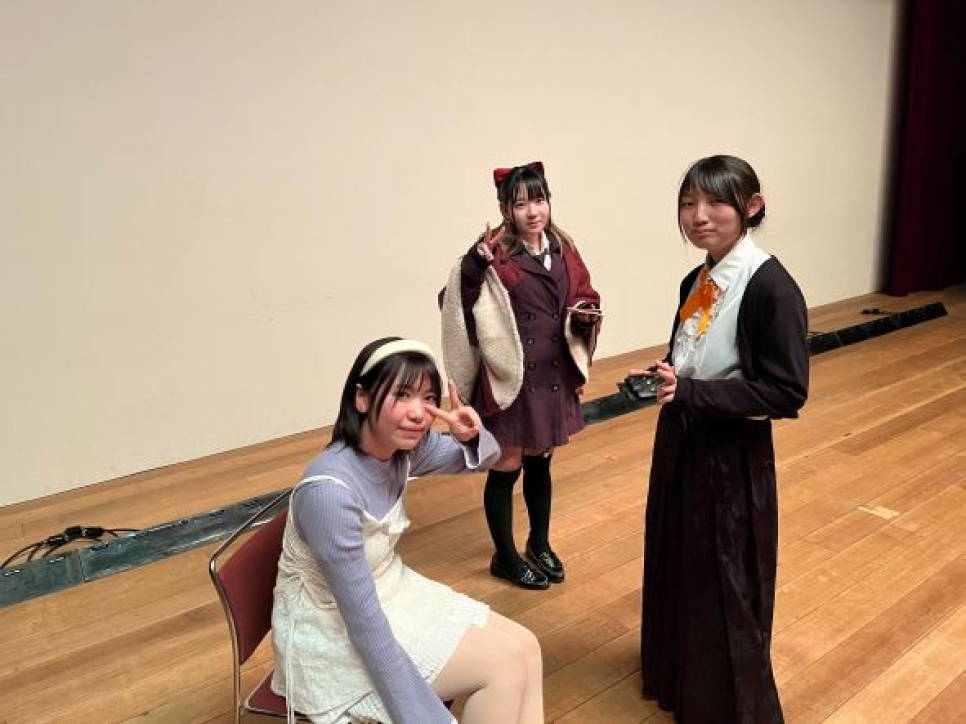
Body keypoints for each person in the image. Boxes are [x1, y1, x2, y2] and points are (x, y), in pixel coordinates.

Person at [271, 337, 544, 723]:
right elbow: (364, 625)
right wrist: (420, 717)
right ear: (361, 398)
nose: (419, 413)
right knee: (504, 669)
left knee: (528, 647)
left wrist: (470, 435)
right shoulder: (330, 495)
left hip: (388, 592)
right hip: (330, 633)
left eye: (428, 397)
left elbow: (490, 459)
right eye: (402, 394)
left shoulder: (403, 450)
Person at [635, 155, 808, 722]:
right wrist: (665, 375)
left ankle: (718, 701)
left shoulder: (772, 287)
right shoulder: (699, 278)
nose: (699, 216)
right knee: (678, 558)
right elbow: (690, 350)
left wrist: (690, 392)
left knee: (724, 576)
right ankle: (677, 674)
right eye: (688, 203)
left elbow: (786, 392)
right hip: (682, 436)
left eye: (715, 202)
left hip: (729, 453)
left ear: (752, 206)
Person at [440, 161, 602, 590]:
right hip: (513, 379)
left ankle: (539, 543)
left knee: (541, 461)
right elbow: (455, 300)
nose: (533, 211)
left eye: (540, 200)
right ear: (505, 209)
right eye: (521, 204)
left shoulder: (564, 248)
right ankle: (505, 557)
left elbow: (584, 293)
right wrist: (475, 265)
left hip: (552, 374)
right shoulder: (493, 253)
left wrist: (586, 314)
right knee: (507, 464)